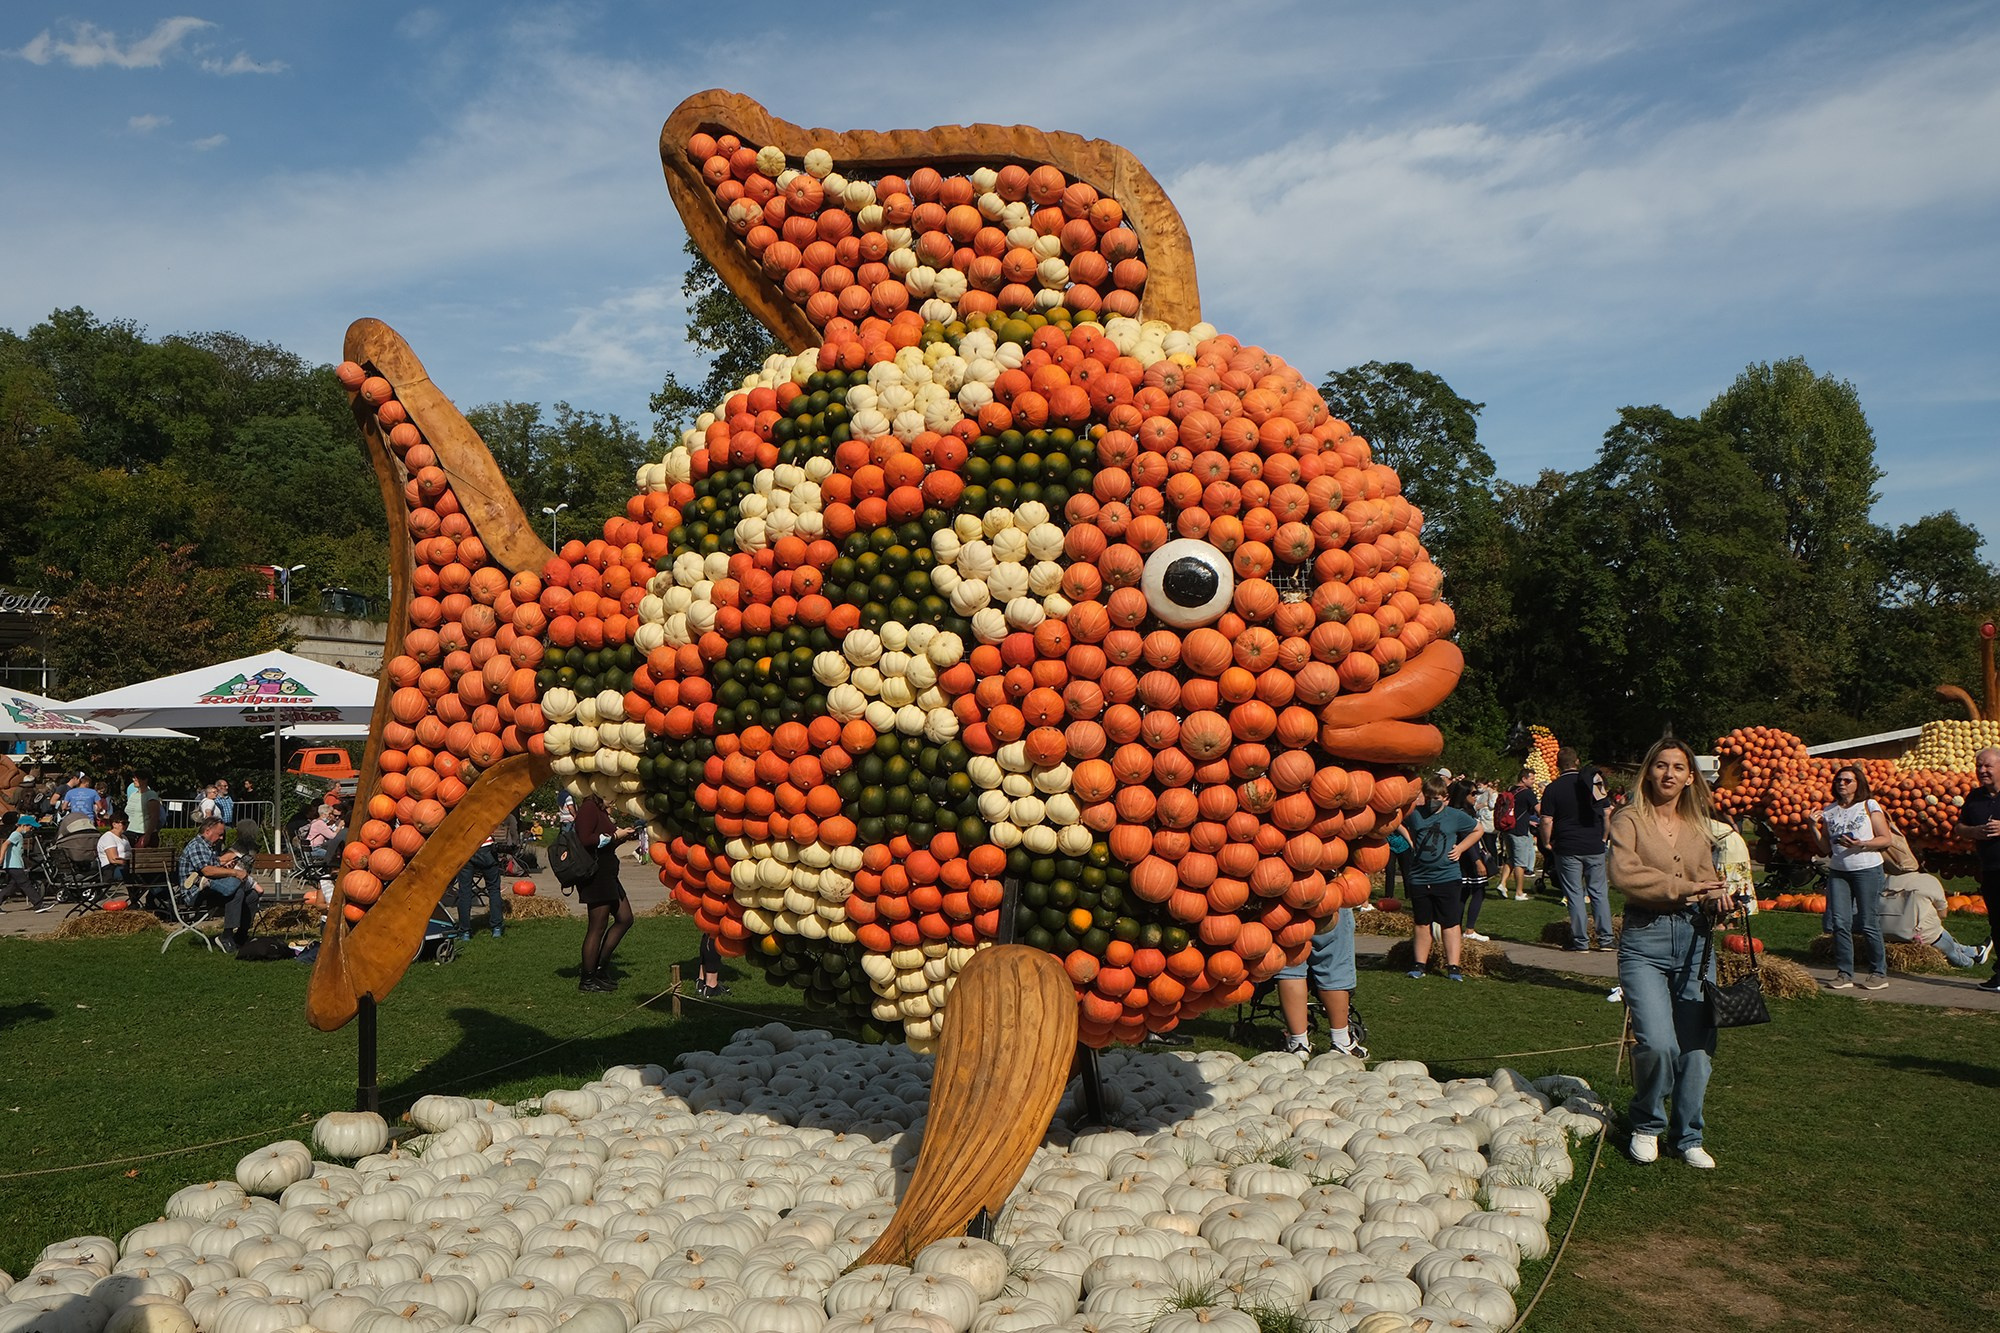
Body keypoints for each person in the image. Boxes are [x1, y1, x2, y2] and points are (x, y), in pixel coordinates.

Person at [1608, 738, 1733, 1169]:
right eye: (1660, 766)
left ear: (1689, 776)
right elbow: (1625, 873)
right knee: (1658, 1043)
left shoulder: (1698, 824)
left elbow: (1707, 877)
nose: (1668, 774)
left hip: (1696, 940)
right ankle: (1647, 1122)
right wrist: (1688, 888)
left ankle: (1689, 1134)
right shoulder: (1629, 820)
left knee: (1697, 1048)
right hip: (1646, 938)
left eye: (1678, 768)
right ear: (1649, 771)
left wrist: (1718, 896)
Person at [1810, 764, 1891, 990]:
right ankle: (1844, 973)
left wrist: (1861, 844)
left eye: (1847, 780)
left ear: (1858, 784)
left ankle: (1878, 972)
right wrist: (1812, 826)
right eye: (1839, 780)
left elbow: (1885, 839)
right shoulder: (1829, 810)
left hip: (1867, 869)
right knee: (1839, 922)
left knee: (1868, 922)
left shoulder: (1868, 806)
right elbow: (1825, 847)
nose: (1842, 784)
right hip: (1839, 871)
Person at [1400, 775, 1483, 980]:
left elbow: (1477, 829)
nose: (1431, 802)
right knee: (1422, 922)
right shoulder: (1416, 814)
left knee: (1450, 922)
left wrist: (1461, 848)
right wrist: (1410, 840)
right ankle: (1419, 964)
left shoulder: (1455, 816)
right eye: (1428, 797)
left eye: (1436, 798)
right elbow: (1397, 821)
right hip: (1419, 876)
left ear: (1446, 798)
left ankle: (1453, 966)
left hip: (1447, 876)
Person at [1541, 748, 1613, 951]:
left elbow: (1546, 820)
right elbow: (1607, 813)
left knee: (1574, 894)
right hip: (1593, 843)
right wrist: (1604, 837)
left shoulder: (1552, 789)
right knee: (1599, 892)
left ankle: (1581, 941)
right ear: (1578, 762)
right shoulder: (1595, 782)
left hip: (1567, 844)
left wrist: (1547, 842)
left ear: (1557, 764)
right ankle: (1606, 939)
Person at [1277, 905, 1366, 1057]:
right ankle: (1341, 1041)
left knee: (1291, 966)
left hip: (1285, 902)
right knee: (1334, 964)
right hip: (1327, 899)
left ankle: (1298, 1043)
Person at [572, 792, 637, 991]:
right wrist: (615, 835)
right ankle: (588, 978)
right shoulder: (589, 808)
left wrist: (622, 837)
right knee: (597, 927)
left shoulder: (600, 811)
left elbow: (604, 843)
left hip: (608, 873)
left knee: (625, 918)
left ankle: (600, 967)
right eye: (612, 794)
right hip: (596, 875)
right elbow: (586, 839)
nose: (615, 799)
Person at [1951, 746, 2000, 993]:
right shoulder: (1974, 797)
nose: (1982, 771)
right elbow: (1959, 828)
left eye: (1987, 766)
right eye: (1979, 766)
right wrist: (1973, 832)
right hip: (1990, 869)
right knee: (1997, 922)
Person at [179, 816, 261, 953]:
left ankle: (240, 937)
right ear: (207, 831)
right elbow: (207, 870)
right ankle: (227, 936)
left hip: (209, 887)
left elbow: (213, 867)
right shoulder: (197, 846)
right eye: (220, 834)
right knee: (236, 891)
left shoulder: (208, 847)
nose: (222, 838)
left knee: (252, 895)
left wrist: (226, 867)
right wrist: (234, 873)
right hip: (194, 893)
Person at [1880, 869, 1992, 968]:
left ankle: (1974, 951)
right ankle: (1971, 961)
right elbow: (1943, 914)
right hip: (1918, 934)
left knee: (1945, 940)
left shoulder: (1882, 880)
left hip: (1883, 932)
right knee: (1948, 946)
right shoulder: (1927, 881)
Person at [1454, 779, 1494, 942]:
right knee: (1478, 891)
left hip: (1465, 856)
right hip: (1469, 857)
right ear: (1463, 795)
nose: (1475, 796)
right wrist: (1477, 861)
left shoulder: (1464, 811)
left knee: (1463, 893)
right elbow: (1468, 839)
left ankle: (1457, 927)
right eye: (1472, 793)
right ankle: (1469, 929)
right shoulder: (1462, 814)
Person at [455, 828, 505, 940]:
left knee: (464, 891)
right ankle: (496, 927)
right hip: (486, 848)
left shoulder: (459, 812)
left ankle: (465, 931)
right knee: (493, 889)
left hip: (466, 848)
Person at [1500, 768, 1540, 900]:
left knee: (1511, 858)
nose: (1533, 782)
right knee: (1520, 862)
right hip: (1519, 830)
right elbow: (1539, 810)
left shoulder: (1510, 789)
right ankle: (1519, 892)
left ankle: (1502, 883)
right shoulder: (1527, 793)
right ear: (1524, 779)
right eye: (1532, 779)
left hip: (1507, 828)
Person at [3, 813, 47, 911]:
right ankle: (38, 904)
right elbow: (5, 844)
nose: (31, 830)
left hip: (14, 864)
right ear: (23, 825)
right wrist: (1, 858)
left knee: (12, 886)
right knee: (25, 884)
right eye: (30, 828)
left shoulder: (18, 835)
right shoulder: (16, 835)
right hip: (14, 865)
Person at [125, 772, 163, 849]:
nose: (134, 780)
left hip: (143, 833)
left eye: (136, 778)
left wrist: (147, 835)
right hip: (130, 832)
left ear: (145, 780)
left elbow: (154, 817)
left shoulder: (151, 795)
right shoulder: (133, 795)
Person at [96, 813, 132, 887]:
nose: (126, 825)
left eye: (127, 823)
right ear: (114, 824)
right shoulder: (108, 837)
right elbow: (113, 859)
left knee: (152, 873)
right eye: (124, 823)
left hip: (126, 866)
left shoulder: (124, 837)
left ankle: (152, 896)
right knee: (138, 874)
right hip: (111, 869)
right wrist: (131, 863)